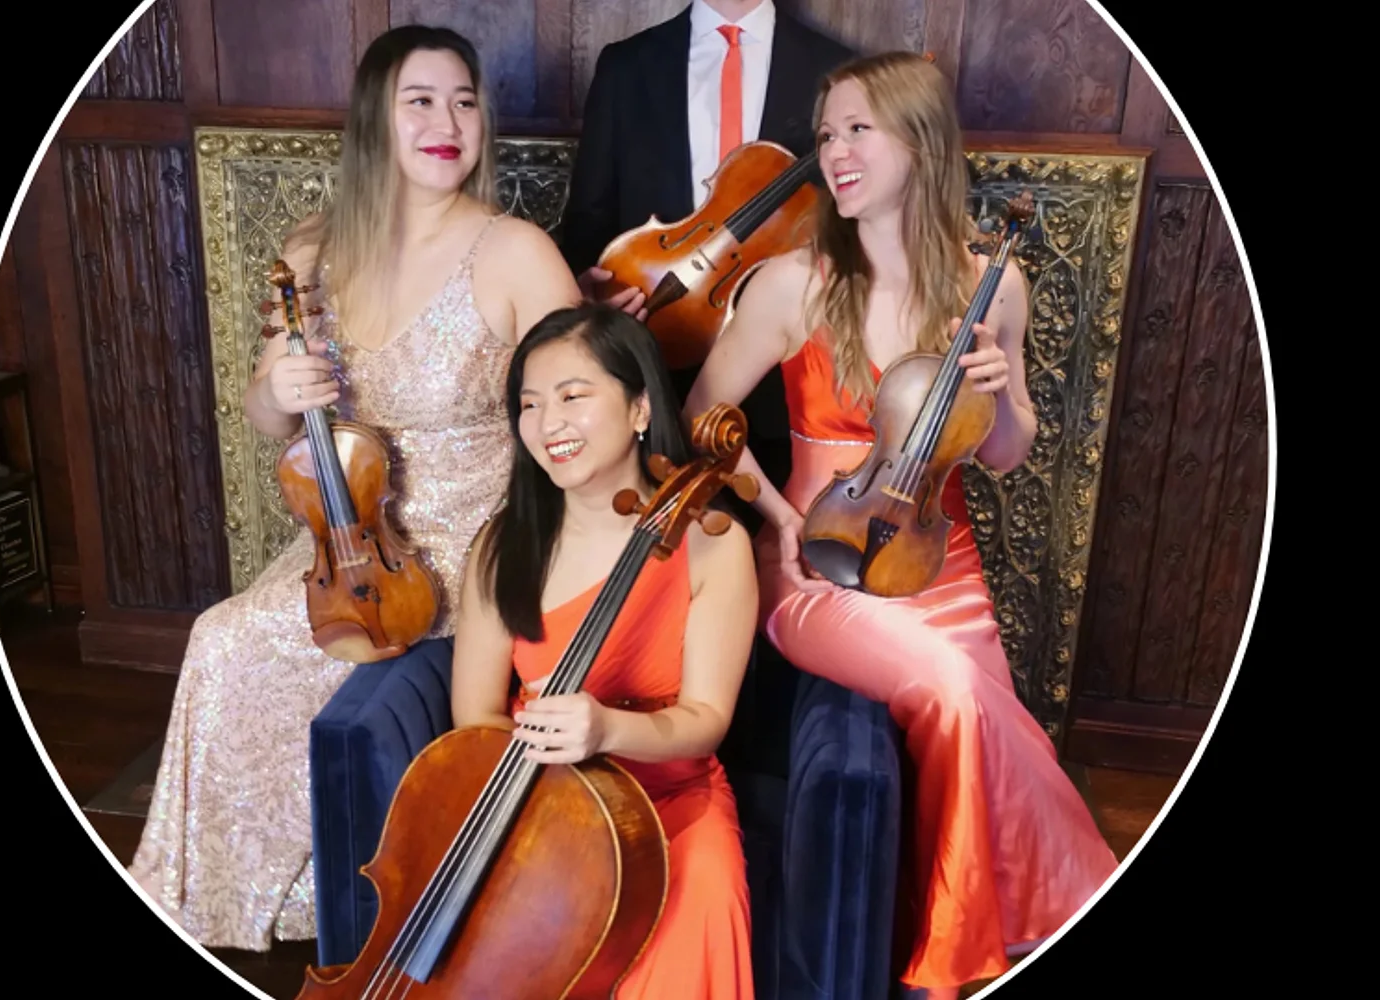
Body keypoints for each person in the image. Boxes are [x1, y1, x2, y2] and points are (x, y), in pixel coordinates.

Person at [125, 25, 583, 954]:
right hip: (349, 537)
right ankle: (219, 902)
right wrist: (277, 389)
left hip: (468, 540)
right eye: (420, 101)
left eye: (464, 101)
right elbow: (266, 415)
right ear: (375, 119)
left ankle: (285, 903)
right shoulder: (313, 249)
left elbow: (583, 397)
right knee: (218, 642)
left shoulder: (515, 251)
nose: (448, 122)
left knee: (248, 647)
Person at [682, 51, 1120, 998]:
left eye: (858, 131)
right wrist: (778, 517)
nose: (834, 153)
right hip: (820, 562)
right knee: (959, 695)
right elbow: (702, 420)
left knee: (972, 705)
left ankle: (973, 937)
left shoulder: (991, 286)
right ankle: (974, 950)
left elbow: (1004, 455)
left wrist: (1000, 395)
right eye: (826, 134)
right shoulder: (792, 285)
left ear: (921, 143)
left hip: (940, 561)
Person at [450, 303, 759, 999]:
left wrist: (606, 729)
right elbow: (475, 716)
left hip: (671, 803)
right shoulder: (503, 546)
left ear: (641, 408)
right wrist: (554, 789)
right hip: (540, 802)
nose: (547, 424)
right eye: (530, 404)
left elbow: (705, 720)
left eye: (572, 397)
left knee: (700, 907)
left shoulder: (714, 543)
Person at [559, 0, 859, 502]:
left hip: (790, 392)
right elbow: (588, 223)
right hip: (654, 369)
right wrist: (593, 298)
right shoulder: (626, 66)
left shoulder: (840, 68)